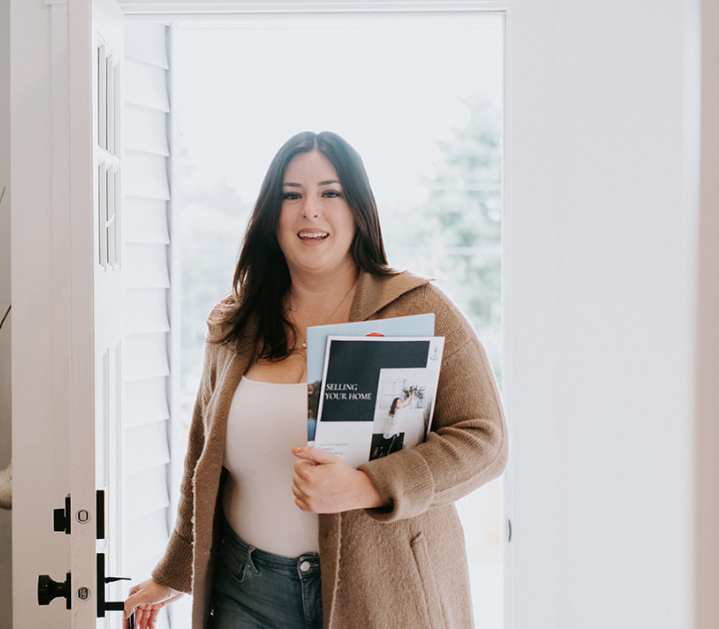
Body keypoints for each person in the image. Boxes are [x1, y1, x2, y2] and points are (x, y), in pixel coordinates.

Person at [123, 131, 507, 629]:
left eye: (330, 192)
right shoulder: (235, 324)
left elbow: (486, 441)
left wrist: (367, 486)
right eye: (291, 195)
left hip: (383, 598)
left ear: (358, 209)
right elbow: (204, 461)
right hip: (246, 595)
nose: (310, 210)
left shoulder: (419, 310)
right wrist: (174, 571)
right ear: (271, 214)